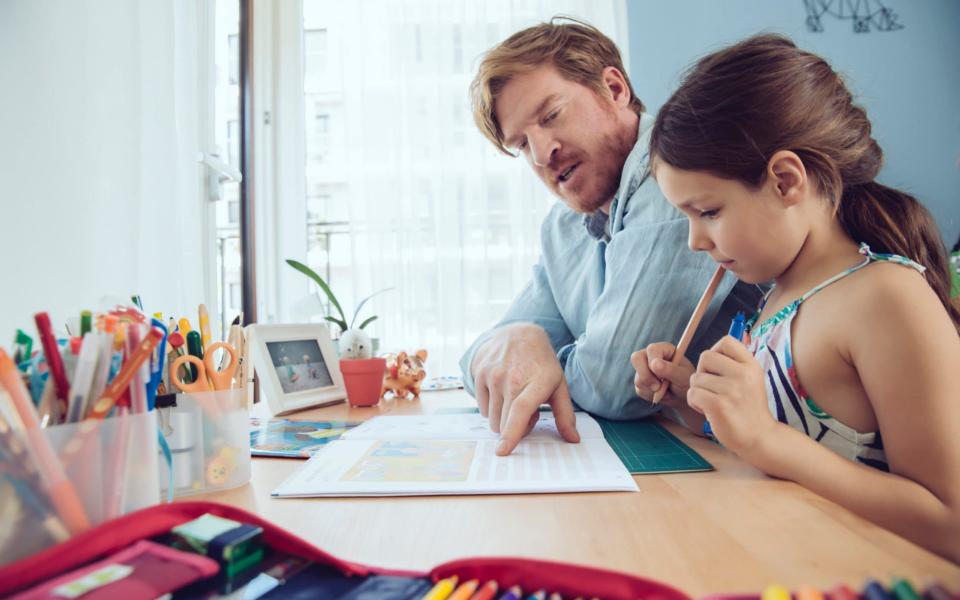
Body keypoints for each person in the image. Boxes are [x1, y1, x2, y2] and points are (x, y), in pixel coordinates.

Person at [633, 34, 960, 561]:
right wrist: (694, 402)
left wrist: (764, 440)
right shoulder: (779, 296)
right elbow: (791, 436)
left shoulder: (886, 298)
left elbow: (950, 523)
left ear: (786, 181)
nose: (695, 240)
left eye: (708, 212)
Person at [461, 18, 762, 456]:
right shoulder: (563, 226)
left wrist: (537, 362)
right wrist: (519, 336)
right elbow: (480, 366)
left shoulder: (677, 182)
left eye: (551, 115)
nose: (543, 154)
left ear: (615, 89)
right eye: (523, 145)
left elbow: (613, 386)